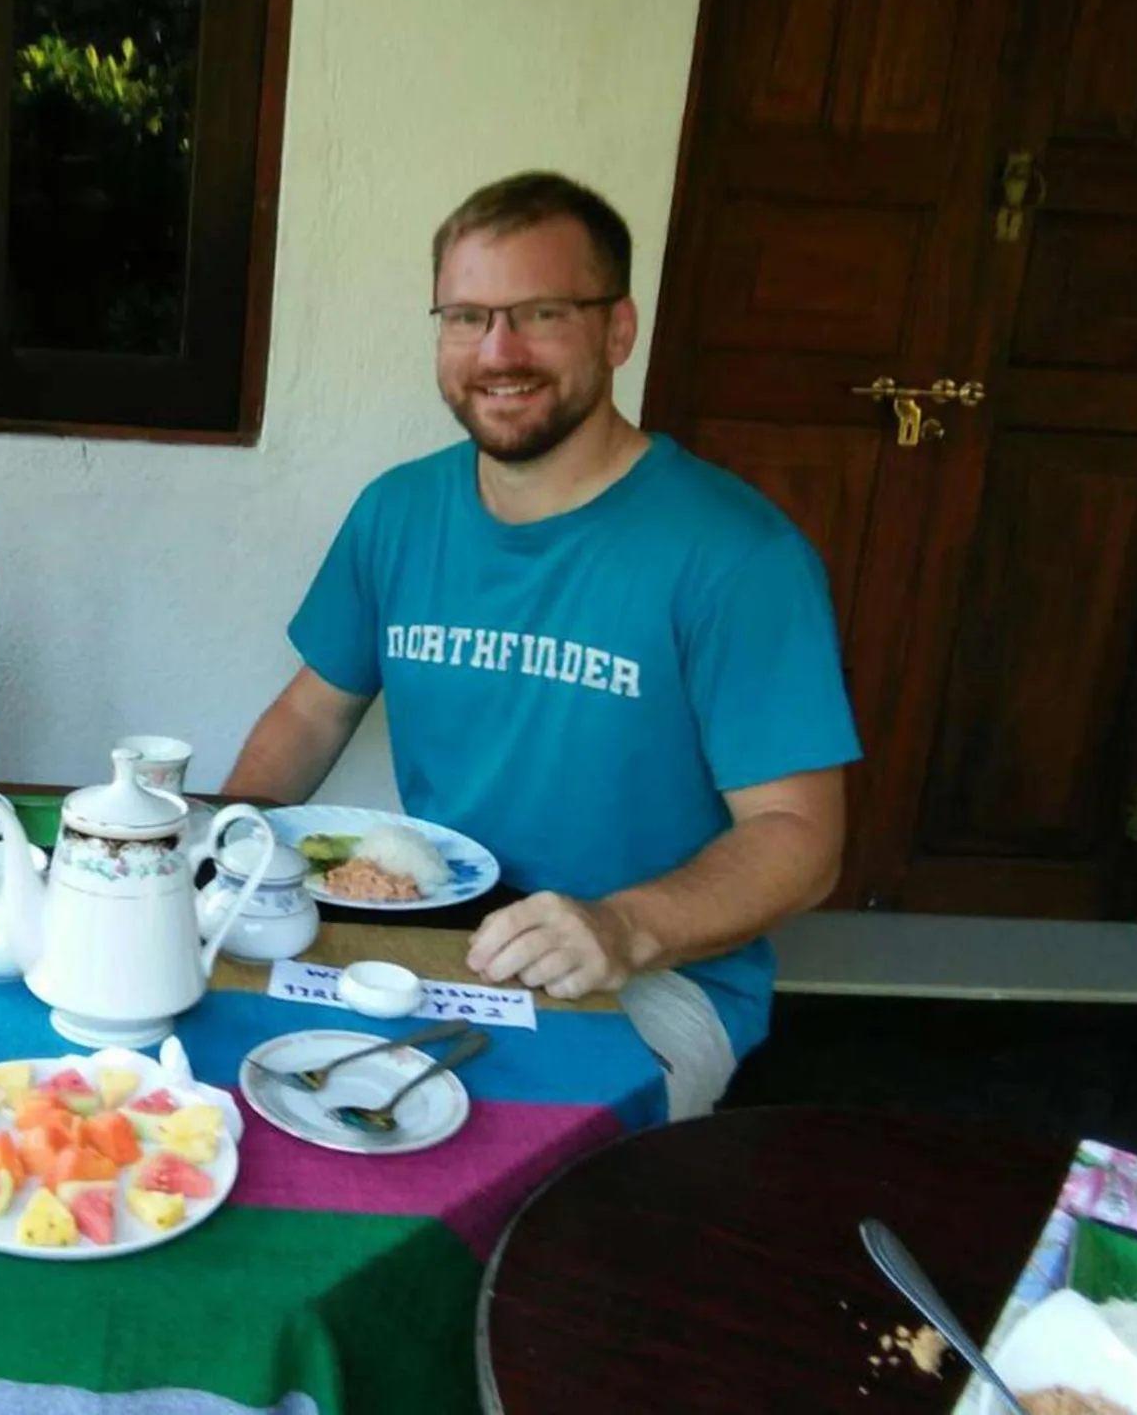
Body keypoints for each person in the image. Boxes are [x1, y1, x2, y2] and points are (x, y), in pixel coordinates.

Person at [224, 171, 859, 1119]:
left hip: (655, 975)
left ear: (618, 330)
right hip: (430, 934)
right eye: (466, 317)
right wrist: (223, 850)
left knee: (475, 1139)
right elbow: (313, 714)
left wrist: (624, 927)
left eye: (541, 314)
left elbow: (801, 837)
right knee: (242, 1081)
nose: (499, 351)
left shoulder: (738, 556)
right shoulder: (397, 511)